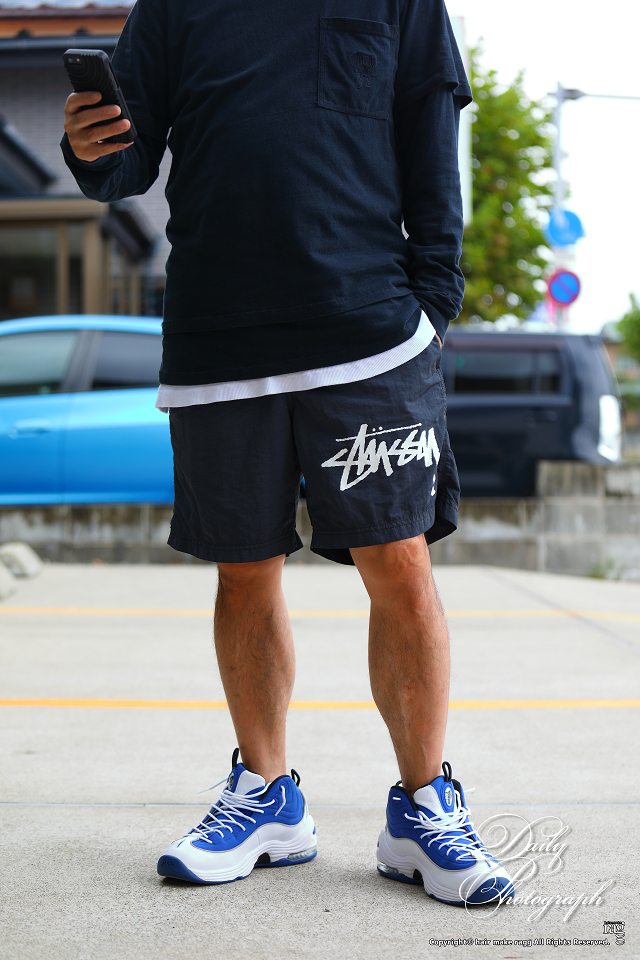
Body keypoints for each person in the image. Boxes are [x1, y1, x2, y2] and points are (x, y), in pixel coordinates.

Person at [62, 0, 513, 905]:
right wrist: (89, 145)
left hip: (367, 327)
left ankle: (423, 809)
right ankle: (267, 799)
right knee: (243, 570)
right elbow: (126, 165)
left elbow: (431, 139)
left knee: (399, 561)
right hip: (218, 333)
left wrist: (433, 303)